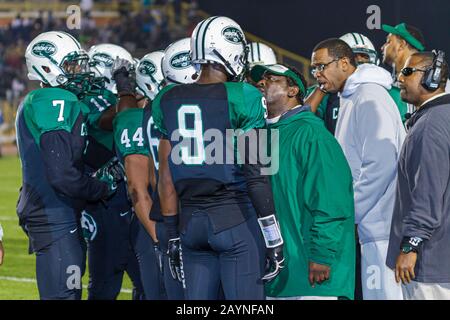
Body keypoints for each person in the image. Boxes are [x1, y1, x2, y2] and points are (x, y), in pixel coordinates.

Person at [152, 16, 284, 300]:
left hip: (189, 225)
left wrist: (173, 233)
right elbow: (257, 174)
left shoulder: (166, 98)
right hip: (234, 219)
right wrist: (273, 236)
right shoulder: (244, 96)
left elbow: (165, 177)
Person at [16, 31, 118, 300]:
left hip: (58, 211)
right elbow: (62, 173)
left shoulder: (59, 101)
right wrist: (101, 187)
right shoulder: (52, 100)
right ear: (47, 66)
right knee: (64, 295)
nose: (80, 72)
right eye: (72, 65)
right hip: (54, 213)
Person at [311, 38, 405, 300]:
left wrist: (349, 212)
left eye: (321, 66)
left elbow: (381, 164)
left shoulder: (369, 96)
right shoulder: (352, 96)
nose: (317, 74)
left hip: (381, 228)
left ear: (343, 63)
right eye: (314, 69)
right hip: (371, 226)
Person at [251, 63, 355, 300]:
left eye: (271, 79)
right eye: (260, 80)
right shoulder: (261, 134)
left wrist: (321, 254)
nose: (261, 83)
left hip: (313, 277)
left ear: (293, 90)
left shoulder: (311, 133)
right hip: (279, 275)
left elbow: (331, 199)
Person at [82, 43, 150, 300]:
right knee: (104, 285)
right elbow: (118, 117)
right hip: (106, 207)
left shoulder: (123, 99)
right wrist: (125, 89)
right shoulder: (90, 101)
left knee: (148, 281)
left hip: (130, 202)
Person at [386, 51, 450, 300]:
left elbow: (427, 192)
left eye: (408, 71)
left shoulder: (431, 124)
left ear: (431, 79)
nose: (400, 78)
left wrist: (410, 244)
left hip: (431, 260)